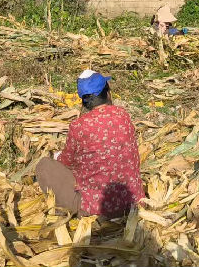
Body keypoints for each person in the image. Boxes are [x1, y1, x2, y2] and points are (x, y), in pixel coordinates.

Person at [35, 69, 145, 218]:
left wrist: (58, 157)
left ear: (84, 102)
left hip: (98, 209)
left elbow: (66, 162)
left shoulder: (78, 126)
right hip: (133, 203)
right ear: (108, 93)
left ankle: (64, 213)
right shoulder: (123, 115)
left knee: (44, 166)